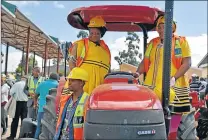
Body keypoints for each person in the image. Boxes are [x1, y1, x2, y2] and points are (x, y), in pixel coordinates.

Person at [134, 15, 192, 114]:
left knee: (172, 115)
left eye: (164, 27)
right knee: (148, 113)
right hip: (151, 86)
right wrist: (137, 73)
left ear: (172, 28)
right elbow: (145, 61)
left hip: (172, 85)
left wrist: (174, 78)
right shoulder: (152, 43)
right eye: (159, 27)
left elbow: (187, 63)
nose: (161, 30)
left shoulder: (181, 42)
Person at [67, 16, 111, 94]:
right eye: (91, 33)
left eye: (97, 33)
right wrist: (75, 80)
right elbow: (71, 61)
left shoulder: (106, 50)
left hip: (101, 86)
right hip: (83, 85)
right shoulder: (80, 44)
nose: (94, 35)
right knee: (80, 105)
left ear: (101, 34)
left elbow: (109, 69)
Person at [54, 67, 89, 140]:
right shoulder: (65, 100)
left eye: (72, 80)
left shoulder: (88, 101)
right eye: (69, 80)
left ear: (81, 83)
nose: (69, 82)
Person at [33, 73, 59, 139]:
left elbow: (35, 95)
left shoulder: (42, 84)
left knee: (39, 127)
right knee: (51, 129)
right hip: (53, 111)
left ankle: (36, 138)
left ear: (49, 77)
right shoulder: (57, 85)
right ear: (57, 79)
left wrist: (35, 104)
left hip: (41, 109)